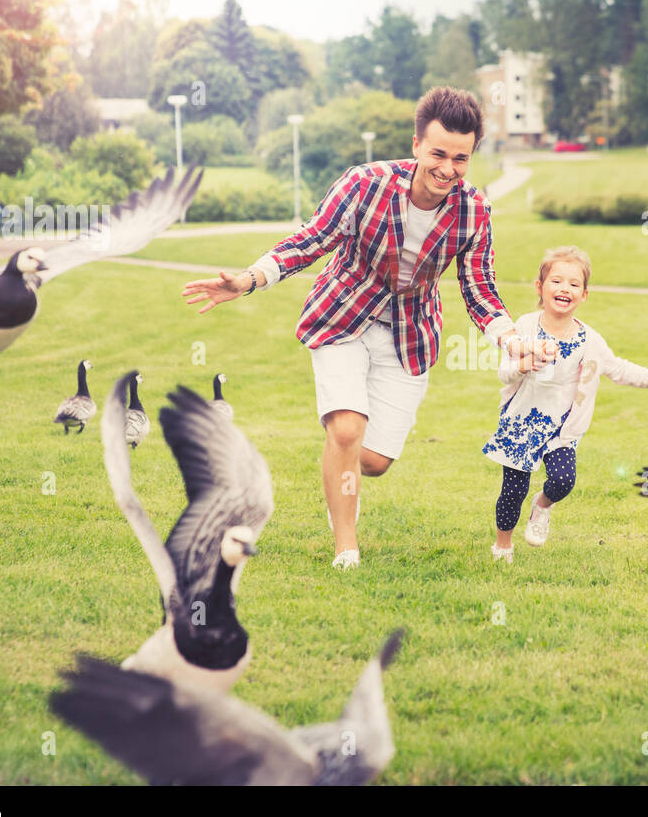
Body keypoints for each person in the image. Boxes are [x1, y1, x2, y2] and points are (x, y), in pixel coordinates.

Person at [182, 86, 550, 571]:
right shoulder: (365, 183)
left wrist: (510, 339)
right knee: (347, 428)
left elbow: (478, 288)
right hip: (341, 316)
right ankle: (346, 548)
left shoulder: (474, 211)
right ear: (416, 144)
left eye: (460, 158)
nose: (447, 168)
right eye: (438, 153)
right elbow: (311, 240)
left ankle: (340, 456)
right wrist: (251, 278)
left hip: (410, 335)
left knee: (373, 461)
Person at [483, 246, 648, 562]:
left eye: (574, 284)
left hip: (562, 429)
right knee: (512, 491)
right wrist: (524, 364)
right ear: (540, 287)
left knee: (563, 480)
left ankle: (542, 506)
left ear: (584, 295)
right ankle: (502, 545)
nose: (564, 289)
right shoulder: (524, 328)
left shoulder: (590, 340)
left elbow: (620, 369)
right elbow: (504, 374)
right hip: (521, 425)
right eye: (556, 281)